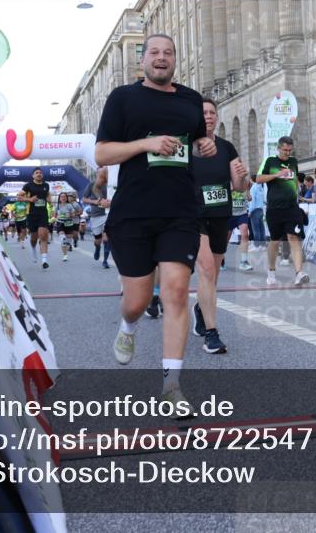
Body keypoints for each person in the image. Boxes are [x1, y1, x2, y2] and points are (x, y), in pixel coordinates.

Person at [95, 33, 215, 413]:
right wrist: (145, 144)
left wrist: (205, 146)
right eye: (154, 52)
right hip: (133, 212)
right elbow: (102, 153)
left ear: (175, 59)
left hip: (180, 211)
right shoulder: (122, 98)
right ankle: (128, 326)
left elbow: (197, 142)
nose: (161, 58)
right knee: (137, 301)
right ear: (143, 59)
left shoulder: (191, 99)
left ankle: (171, 386)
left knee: (176, 292)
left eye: (168, 53)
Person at [190, 97, 249, 354]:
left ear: (217, 117)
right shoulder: (187, 146)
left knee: (212, 274)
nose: (208, 116)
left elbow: (239, 187)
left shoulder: (226, 148)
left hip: (220, 214)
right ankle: (211, 334)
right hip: (194, 215)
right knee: (205, 269)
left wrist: (242, 178)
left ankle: (200, 308)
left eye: (212, 112)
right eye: (203, 113)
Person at [258, 136, 309, 286]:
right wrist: (276, 175)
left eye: (290, 150)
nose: (287, 153)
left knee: (294, 237)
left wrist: (297, 194)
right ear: (279, 148)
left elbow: (294, 181)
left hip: (292, 208)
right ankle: (271, 270)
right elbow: (258, 179)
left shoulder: (293, 162)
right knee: (275, 241)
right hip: (274, 208)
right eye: (285, 150)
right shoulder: (270, 161)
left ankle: (299, 273)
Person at [17, 167, 53, 269]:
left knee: (43, 235)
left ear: (42, 175)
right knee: (34, 238)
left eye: (40, 173)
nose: (39, 174)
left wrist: (49, 201)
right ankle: (33, 249)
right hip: (31, 214)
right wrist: (29, 199)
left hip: (43, 214)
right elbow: (18, 197)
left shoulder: (46, 185)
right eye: (36, 173)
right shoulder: (28, 185)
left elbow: (47, 194)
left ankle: (44, 260)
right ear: (33, 175)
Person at [83, 168, 113, 268]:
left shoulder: (111, 184)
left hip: (109, 213)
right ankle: (97, 248)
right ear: (97, 174)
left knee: (106, 238)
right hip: (96, 215)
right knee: (98, 240)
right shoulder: (92, 185)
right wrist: (95, 202)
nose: (102, 174)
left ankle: (105, 261)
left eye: (104, 172)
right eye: (100, 172)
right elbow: (84, 199)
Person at [54, 192, 77, 262]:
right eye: (61, 197)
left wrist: (70, 215)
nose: (63, 198)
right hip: (60, 223)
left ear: (66, 198)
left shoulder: (69, 205)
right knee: (63, 239)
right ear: (59, 198)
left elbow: (74, 214)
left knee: (68, 241)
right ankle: (65, 255)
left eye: (64, 197)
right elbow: (54, 215)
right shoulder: (57, 206)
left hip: (68, 223)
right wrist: (55, 219)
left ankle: (67, 246)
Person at [248, 173, 267, 251]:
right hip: (261, 209)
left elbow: (252, 201)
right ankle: (263, 245)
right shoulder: (260, 187)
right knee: (261, 228)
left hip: (254, 209)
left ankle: (257, 245)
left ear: (251, 180)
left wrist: (250, 211)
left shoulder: (253, 188)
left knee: (255, 229)